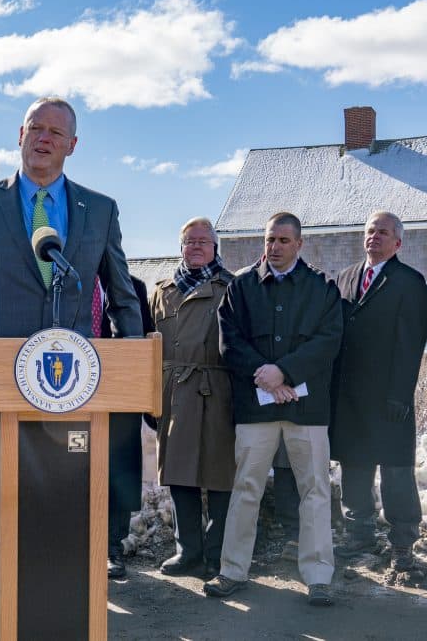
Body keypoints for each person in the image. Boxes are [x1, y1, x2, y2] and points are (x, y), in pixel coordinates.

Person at [0, 96, 142, 639]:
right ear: (19, 134)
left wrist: (132, 362)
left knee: (63, 526)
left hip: (71, 400)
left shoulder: (101, 209)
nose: (44, 138)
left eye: (56, 132)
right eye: (36, 128)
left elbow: (122, 297)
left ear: (73, 145)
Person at [206, 212, 342, 607]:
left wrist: (284, 372)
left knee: (314, 490)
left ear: (300, 244)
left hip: (307, 408)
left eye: (284, 240)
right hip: (255, 407)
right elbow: (229, 340)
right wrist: (264, 375)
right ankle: (232, 570)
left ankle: (318, 577)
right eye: (270, 240)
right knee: (246, 487)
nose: (275, 247)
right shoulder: (242, 287)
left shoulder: (322, 287)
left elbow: (329, 340)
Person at [330, 211, 427, 571]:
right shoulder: (345, 278)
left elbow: (411, 343)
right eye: (370, 231)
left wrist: (400, 395)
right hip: (351, 397)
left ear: (397, 242)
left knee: (396, 472)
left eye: (383, 233)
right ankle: (359, 536)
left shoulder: (409, 282)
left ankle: (403, 543)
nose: (374, 237)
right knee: (355, 469)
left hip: (390, 399)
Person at [150, 217, 235, 582]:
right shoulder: (162, 290)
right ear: (181, 247)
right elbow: (149, 347)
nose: (196, 246)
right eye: (189, 241)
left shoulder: (231, 287)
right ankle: (188, 551)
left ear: (215, 247)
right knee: (179, 474)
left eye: (203, 241)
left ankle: (218, 555)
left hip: (217, 390)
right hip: (173, 392)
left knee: (219, 476)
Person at [103, 274, 154, 579]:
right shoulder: (63, 278)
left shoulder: (133, 286)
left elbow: (147, 339)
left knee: (118, 475)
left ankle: (111, 548)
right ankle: (74, 546)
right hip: (71, 396)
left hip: (120, 398)